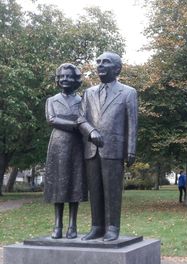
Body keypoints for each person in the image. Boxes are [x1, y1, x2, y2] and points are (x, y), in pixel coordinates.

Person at [78, 52, 138, 242]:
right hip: (91, 148)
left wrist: (131, 149)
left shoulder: (128, 92)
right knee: (94, 190)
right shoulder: (89, 92)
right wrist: (90, 131)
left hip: (114, 148)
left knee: (112, 191)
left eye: (105, 62)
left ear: (117, 69)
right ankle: (97, 226)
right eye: (98, 62)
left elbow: (132, 123)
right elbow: (80, 118)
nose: (100, 65)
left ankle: (112, 227)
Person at [44, 63, 87, 239]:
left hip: (77, 146)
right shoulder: (51, 100)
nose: (65, 79)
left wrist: (78, 124)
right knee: (58, 186)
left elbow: (84, 119)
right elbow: (51, 119)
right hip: (57, 145)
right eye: (61, 76)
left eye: (69, 76)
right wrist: (75, 124)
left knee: (75, 184)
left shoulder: (82, 100)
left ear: (76, 79)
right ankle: (57, 225)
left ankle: (72, 225)